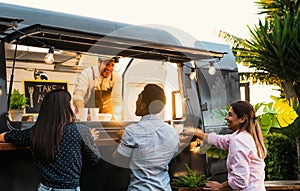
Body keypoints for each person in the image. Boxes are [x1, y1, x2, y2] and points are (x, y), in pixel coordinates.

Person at [0, 89, 101, 191]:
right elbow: (95, 159)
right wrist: (90, 139)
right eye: (70, 105)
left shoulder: (35, 132)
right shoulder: (81, 131)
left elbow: (4, 137)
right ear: (66, 108)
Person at [180, 100, 266, 191]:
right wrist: (195, 133)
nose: (226, 117)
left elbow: (240, 180)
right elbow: (219, 140)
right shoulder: (247, 137)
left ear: (242, 119)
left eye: (230, 115)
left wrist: (221, 186)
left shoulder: (239, 141)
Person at [113, 84, 179, 191]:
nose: (135, 102)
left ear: (143, 105)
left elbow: (118, 162)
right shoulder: (172, 132)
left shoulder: (132, 131)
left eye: (138, 99)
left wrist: (121, 141)